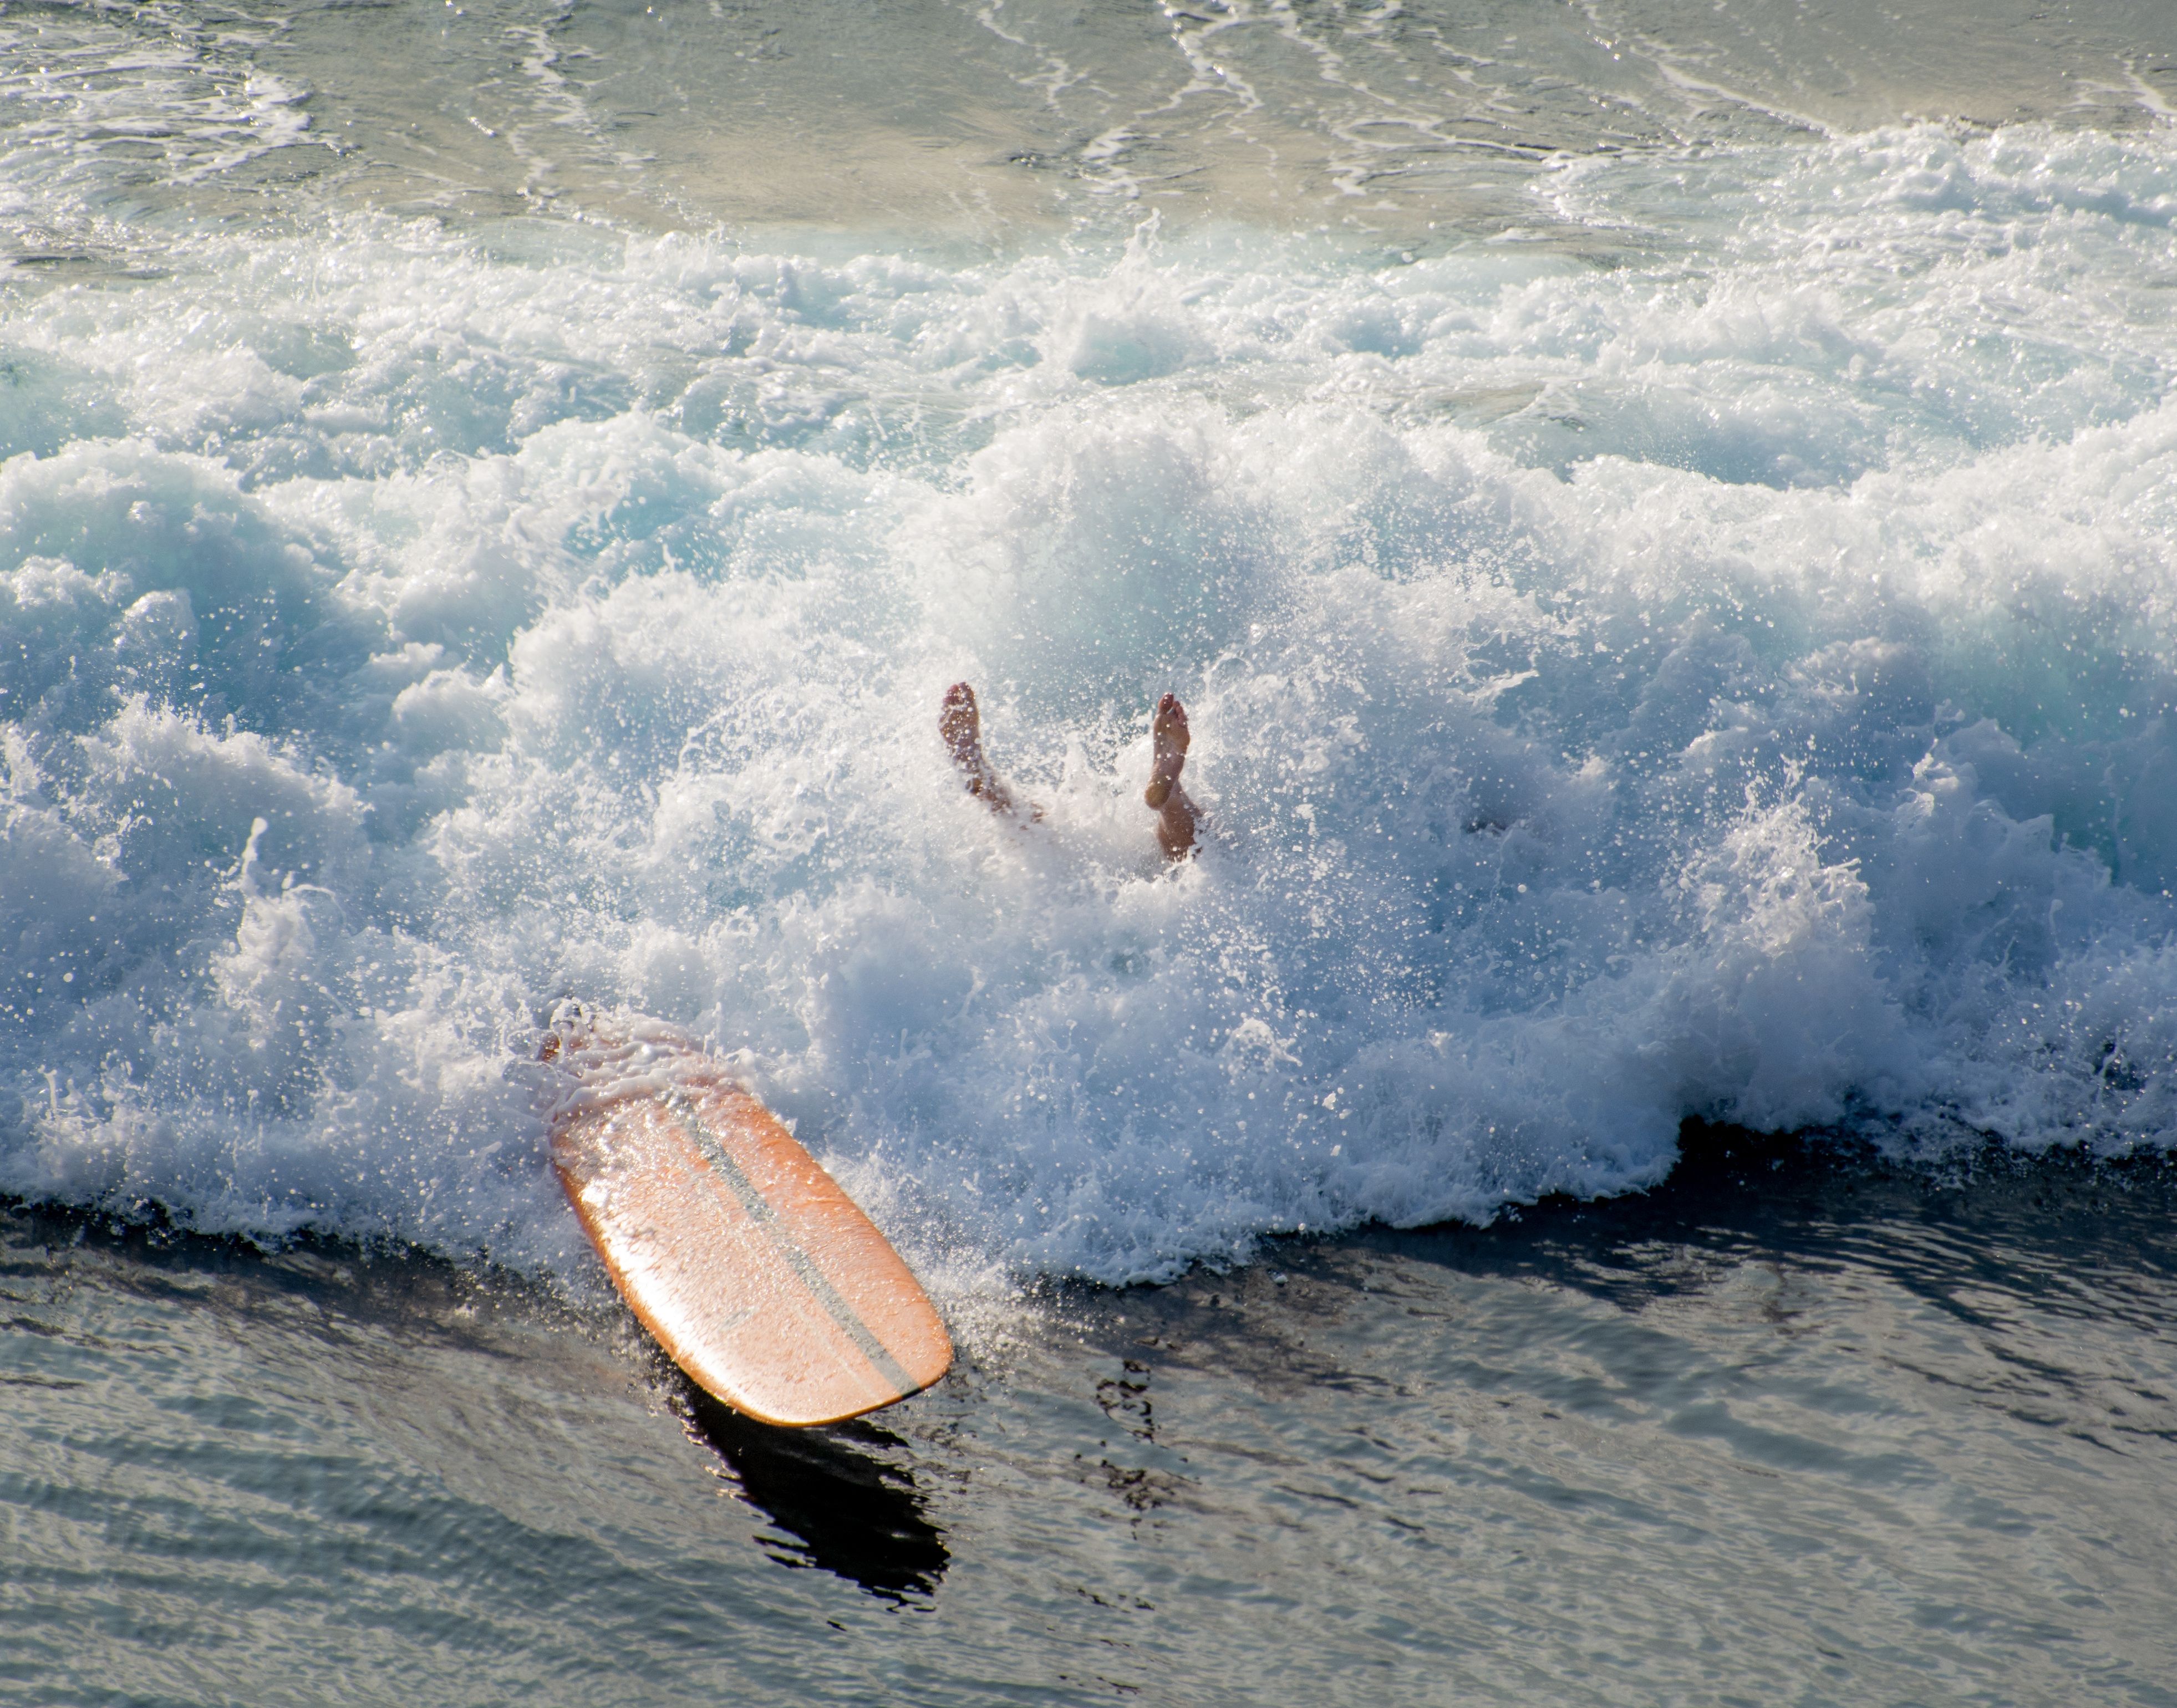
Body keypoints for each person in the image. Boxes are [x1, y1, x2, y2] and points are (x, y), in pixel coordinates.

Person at [940, 681, 1202, 859]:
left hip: (1074, 889)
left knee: (1047, 836)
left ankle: (979, 773)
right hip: (1165, 897)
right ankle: (1171, 795)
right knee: (1201, 855)